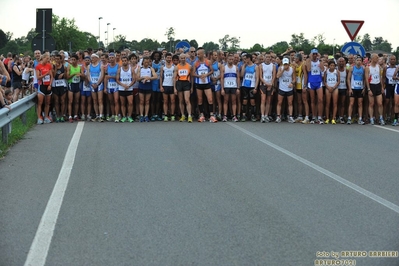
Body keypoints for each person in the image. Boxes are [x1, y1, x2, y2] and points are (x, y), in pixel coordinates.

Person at [192, 47, 217, 122]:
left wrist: (206, 75)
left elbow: (212, 71)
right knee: (200, 100)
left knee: (210, 99)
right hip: (199, 83)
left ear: (203, 54)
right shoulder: (196, 63)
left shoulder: (208, 62)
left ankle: (211, 115)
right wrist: (199, 76)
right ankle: (201, 115)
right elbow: (192, 73)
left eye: (199, 54)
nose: (197, 55)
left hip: (207, 83)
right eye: (197, 54)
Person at [304, 48, 324, 124]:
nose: (315, 55)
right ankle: (313, 116)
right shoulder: (308, 61)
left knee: (320, 99)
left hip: (318, 82)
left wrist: (320, 60)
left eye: (316, 54)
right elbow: (308, 69)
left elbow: (322, 69)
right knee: (312, 100)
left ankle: (319, 117)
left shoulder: (320, 60)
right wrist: (310, 58)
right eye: (313, 54)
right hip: (311, 81)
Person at [365, 53, 385, 125]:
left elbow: (380, 77)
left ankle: (381, 118)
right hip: (371, 85)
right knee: (371, 103)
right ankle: (371, 118)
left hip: (378, 85)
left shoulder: (378, 66)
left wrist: (382, 87)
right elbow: (367, 79)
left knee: (380, 103)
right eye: (376, 58)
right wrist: (368, 89)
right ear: (372, 58)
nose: (377, 59)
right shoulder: (368, 67)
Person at [220, 53, 240, 122]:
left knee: (234, 101)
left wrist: (238, 88)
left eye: (232, 59)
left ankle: (234, 116)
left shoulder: (236, 68)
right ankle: (225, 116)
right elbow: (222, 78)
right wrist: (222, 88)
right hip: (226, 86)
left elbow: (238, 78)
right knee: (226, 101)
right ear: (227, 60)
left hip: (234, 86)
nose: (231, 60)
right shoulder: (224, 67)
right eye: (229, 59)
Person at [174, 53, 193, 122]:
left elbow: (192, 77)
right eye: (181, 58)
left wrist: (192, 87)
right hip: (179, 83)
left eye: (184, 58)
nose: (183, 59)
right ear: (179, 59)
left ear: (186, 58)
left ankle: (189, 115)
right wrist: (174, 88)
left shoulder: (189, 66)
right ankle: (182, 115)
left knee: (187, 100)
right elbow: (174, 77)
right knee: (181, 100)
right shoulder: (177, 67)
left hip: (186, 83)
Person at [137, 56, 157, 122]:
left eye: (147, 62)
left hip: (148, 86)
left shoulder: (151, 69)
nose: (146, 64)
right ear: (143, 62)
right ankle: (141, 115)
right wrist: (143, 77)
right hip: (141, 86)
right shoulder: (140, 68)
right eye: (145, 62)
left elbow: (155, 76)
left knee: (147, 101)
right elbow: (137, 78)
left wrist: (149, 78)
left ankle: (146, 115)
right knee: (142, 101)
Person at [275, 58, 296, 123]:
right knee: (279, 102)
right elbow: (277, 76)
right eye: (284, 64)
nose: (286, 65)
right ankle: (278, 116)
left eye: (287, 64)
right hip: (282, 88)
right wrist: (283, 69)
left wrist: (292, 83)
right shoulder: (280, 68)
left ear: (289, 63)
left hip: (289, 88)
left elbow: (294, 78)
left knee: (290, 103)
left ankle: (290, 116)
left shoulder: (292, 69)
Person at [240, 53, 259, 122]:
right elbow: (241, 75)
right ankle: (244, 115)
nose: (244, 60)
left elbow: (257, 78)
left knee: (252, 101)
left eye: (246, 59)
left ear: (249, 58)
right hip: (245, 85)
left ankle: (253, 115)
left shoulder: (255, 67)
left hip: (252, 86)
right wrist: (244, 66)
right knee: (244, 101)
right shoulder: (244, 66)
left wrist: (255, 88)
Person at [347, 56, 366, 125]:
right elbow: (348, 79)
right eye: (357, 60)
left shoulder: (363, 68)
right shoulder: (352, 68)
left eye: (360, 60)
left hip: (360, 88)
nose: (359, 61)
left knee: (360, 104)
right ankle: (349, 118)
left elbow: (364, 78)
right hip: (353, 88)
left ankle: (360, 118)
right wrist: (350, 88)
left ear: (362, 61)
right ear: (355, 61)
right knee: (351, 103)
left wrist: (364, 87)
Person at [35, 53, 53, 124]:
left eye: (48, 59)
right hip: (41, 86)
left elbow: (51, 76)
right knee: (40, 102)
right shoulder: (38, 66)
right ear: (43, 58)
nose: (48, 60)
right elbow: (38, 77)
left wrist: (50, 85)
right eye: (47, 59)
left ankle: (46, 116)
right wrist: (45, 74)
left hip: (48, 86)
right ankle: (39, 117)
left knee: (47, 102)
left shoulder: (49, 66)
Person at [116, 56, 135, 122]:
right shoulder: (119, 69)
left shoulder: (131, 69)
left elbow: (134, 80)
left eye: (125, 61)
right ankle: (124, 116)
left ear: (128, 61)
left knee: (130, 103)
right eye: (123, 61)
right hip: (122, 88)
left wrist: (128, 86)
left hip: (129, 88)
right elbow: (117, 80)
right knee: (123, 103)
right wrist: (123, 85)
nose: (124, 62)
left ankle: (129, 116)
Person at [86, 53, 105, 122]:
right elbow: (88, 76)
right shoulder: (89, 66)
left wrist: (97, 83)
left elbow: (102, 75)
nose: (92, 59)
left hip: (99, 84)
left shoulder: (101, 66)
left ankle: (101, 115)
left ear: (97, 58)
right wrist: (92, 83)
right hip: (92, 85)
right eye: (91, 58)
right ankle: (97, 115)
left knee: (100, 100)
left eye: (93, 58)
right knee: (94, 100)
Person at [66, 54, 84, 122]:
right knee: (70, 101)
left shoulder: (80, 67)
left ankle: (75, 115)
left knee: (76, 101)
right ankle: (70, 116)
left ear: (77, 60)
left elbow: (83, 76)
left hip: (77, 84)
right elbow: (67, 77)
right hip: (71, 84)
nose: (72, 61)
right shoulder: (69, 67)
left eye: (74, 60)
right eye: (71, 60)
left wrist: (81, 75)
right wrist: (73, 74)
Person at [259, 52, 276, 122]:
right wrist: (265, 83)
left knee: (269, 101)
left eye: (269, 57)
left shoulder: (273, 66)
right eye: (267, 57)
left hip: (270, 84)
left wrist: (271, 84)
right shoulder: (261, 65)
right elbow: (260, 76)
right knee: (263, 100)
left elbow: (274, 75)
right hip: (263, 84)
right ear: (264, 58)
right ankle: (262, 115)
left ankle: (266, 115)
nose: (268, 58)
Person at [159, 52, 176, 121]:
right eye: (167, 58)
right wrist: (161, 86)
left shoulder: (174, 67)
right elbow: (160, 77)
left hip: (171, 85)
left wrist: (175, 87)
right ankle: (165, 115)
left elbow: (174, 78)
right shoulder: (163, 67)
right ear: (165, 58)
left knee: (172, 101)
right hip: (165, 85)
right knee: (165, 101)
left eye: (170, 58)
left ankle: (172, 115)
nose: (169, 59)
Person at [104, 53, 119, 122]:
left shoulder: (118, 66)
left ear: (115, 58)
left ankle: (116, 115)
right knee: (111, 101)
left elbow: (119, 77)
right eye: (110, 58)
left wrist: (112, 77)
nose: (111, 59)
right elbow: (105, 78)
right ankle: (113, 115)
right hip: (109, 85)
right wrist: (105, 88)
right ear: (109, 59)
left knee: (116, 100)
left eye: (113, 57)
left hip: (116, 85)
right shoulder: (107, 67)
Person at [52, 54, 67, 122]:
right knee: (56, 101)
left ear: (61, 59)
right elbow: (54, 75)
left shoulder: (64, 67)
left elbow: (66, 76)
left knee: (62, 100)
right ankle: (58, 116)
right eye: (56, 59)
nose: (57, 60)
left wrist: (63, 74)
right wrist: (55, 68)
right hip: (55, 85)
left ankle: (62, 115)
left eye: (58, 59)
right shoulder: (53, 67)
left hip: (62, 85)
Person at [384, 55, 397, 123]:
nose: (393, 60)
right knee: (387, 102)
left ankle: (392, 116)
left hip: (395, 86)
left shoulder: (397, 68)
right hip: (388, 86)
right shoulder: (386, 68)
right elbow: (383, 77)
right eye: (391, 59)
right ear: (389, 60)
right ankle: (385, 116)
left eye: (394, 59)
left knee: (394, 102)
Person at [150, 51, 163, 121]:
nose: (156, 57)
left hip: (159, 82)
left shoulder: (162, 64)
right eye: (155, 56)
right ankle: (152, 114)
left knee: (158, 99)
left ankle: (157, 114)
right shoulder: (151, 64)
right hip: (152, 82)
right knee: (153, 99)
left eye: (158, 56)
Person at [210, 51, 223, 120]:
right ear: (211, 56)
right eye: (214, 55)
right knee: (212, 100)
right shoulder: (208, 63)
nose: (216, 56)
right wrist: (211, 78)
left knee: (218, 99)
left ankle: (220, 113)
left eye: (216, 55)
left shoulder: (219, 64)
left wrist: (216, 79)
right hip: (211, 83)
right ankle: (214, 112)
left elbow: (221, 74)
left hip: (217, 83)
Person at [337, 57, 348, 124]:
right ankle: (336, 116)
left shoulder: (346, 70)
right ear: (338, 62)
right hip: (337, 88)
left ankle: (341, 116)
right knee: (336, 103)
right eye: (340, 61)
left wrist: (348, 88)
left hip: (343, 88)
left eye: (342, 61)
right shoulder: (335, 70)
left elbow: (347, 80)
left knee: (343, 103)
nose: (341, 63)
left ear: (344, 62)